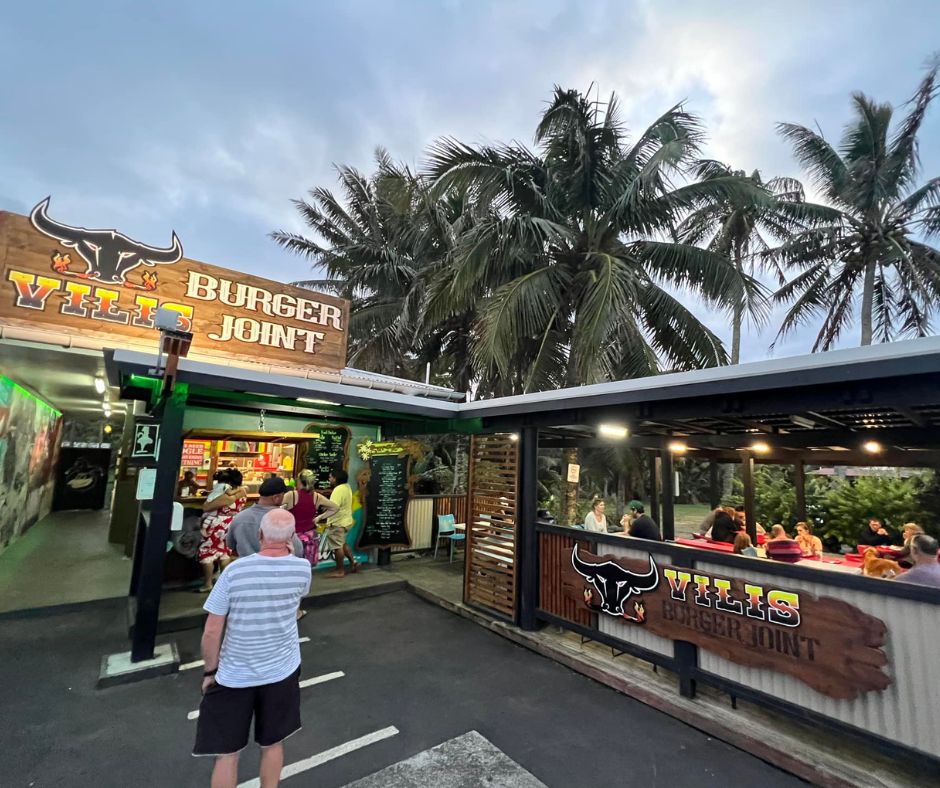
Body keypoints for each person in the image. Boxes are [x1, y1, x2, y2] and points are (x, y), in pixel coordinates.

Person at [192, 509, 312, 787]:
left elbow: (212, 630)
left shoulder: (235, 571)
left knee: (227, 754)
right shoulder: (302, 569)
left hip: (234, 675)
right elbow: (295, 604)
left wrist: (210, 671)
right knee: (273, 744)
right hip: (283, 670)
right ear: (292, 539)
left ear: (259, 535)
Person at [197, 469, 248, 593]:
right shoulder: (243, 492)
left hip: (217, 525)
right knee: (224, 552)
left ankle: (208, 583)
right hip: (231, 524)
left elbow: (206, 507)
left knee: (207, 552)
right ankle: (223, 582)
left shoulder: (225, 495)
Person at [227, 476, 303, 559]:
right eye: (283, 495)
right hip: (275, 569)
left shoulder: (239, 517)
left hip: (246, 568)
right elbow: (298, 550)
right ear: (276, 498)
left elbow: (230, 545)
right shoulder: (282, 520)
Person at [282, 469, 339, 567]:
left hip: (293, 537)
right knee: (306, 567)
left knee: (291, 566)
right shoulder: (316, 497)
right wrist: (319, 517)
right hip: (310, 537)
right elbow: (335, 508)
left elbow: (276, 509)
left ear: (299, 481)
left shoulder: (291, 495)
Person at [323, 469, 360, 578]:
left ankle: (340, 570)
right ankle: (353, 562)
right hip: (346, 521)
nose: (329, 479)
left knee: (337, 546)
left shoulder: (338, 490)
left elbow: (334, 507)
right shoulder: (347, 487)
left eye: (330, 477)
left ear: (335, 478)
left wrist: (323, 510)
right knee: (342, 543)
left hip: (337, 522)